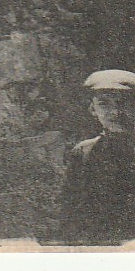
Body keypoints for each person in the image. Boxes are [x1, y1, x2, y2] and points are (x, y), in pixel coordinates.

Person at [44, 69, 135, 245]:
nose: (115, 113)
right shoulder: (85, 153)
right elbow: (70, 210)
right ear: (92, 109)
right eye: (104, 104)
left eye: (123, 103)